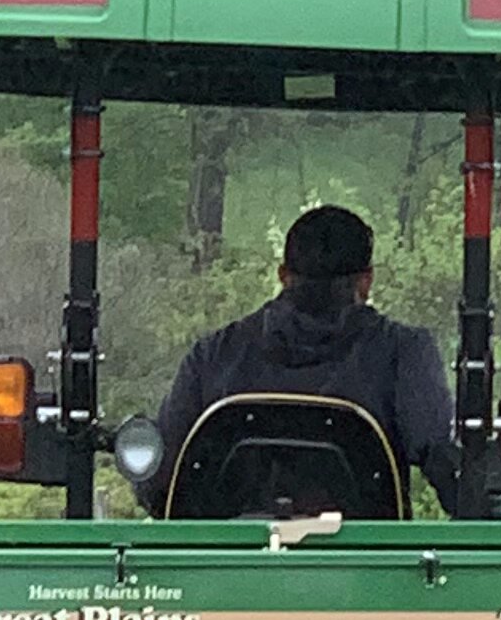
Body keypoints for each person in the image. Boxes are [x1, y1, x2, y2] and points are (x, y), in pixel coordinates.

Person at [154, 202, 457, 511]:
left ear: (284, 275)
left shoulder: (213, 356)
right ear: (366, 281)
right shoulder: (403, 353)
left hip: (230, 556)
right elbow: (447, 467)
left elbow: (158, 484)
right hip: (364, 556)